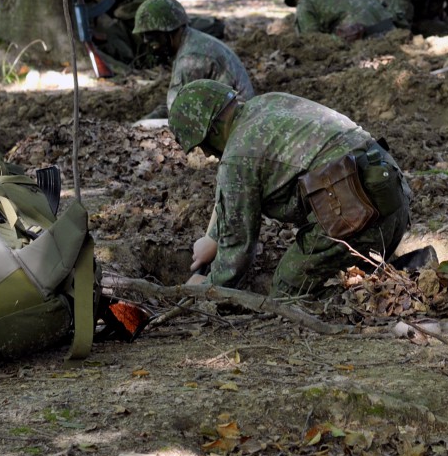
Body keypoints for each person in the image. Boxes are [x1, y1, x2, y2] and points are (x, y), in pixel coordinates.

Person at [169, 79, 412, 297]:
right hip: (392, 195)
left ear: (212, 131)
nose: (207, 154)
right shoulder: (267, 102)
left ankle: (384, 291)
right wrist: (213, 238)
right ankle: (401, 275)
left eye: (202, 145)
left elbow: (237, 249)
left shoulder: (237, 157)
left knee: (286, 294)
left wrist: (207, 288)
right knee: (349, 272)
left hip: (357, 212)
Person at [133, 0, 255, 116]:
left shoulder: (190, 59)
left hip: (236, 120)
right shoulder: (193, 42)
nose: (146, 40)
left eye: (151, 35)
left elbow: (180, 114)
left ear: (169, 32)